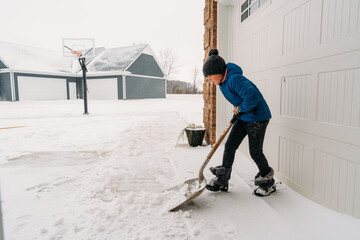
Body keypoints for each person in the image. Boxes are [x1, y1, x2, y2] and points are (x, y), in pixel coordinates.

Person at [202, 48, 276, 196]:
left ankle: (268, 181)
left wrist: (240, 108)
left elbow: (252, 97)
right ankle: (223, 180)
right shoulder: (223, 82)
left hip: (258, 117)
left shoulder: (234, 79)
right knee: (229, 146)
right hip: (244, 116)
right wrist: (239, 109)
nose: (209, 79)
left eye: (210, 75)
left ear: (219, 71)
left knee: (255, 152)